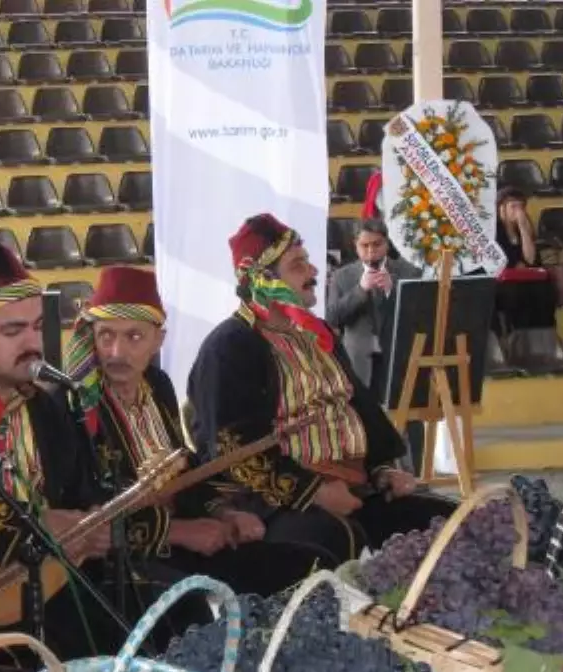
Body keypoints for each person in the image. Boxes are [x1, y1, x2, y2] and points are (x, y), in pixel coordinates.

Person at [0, 241, 180, 662]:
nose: (32, 342)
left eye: (35, 326)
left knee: (168, 623)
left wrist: (97, 528)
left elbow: (83, 495)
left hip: (57, 586)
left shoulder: (46, 405)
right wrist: (44, 523)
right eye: (12, 331)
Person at [186, 213, 455, 564]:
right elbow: (231, 446)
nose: (314, 273)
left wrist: (382, 470)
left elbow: (358, 407)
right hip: (277, 503)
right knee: (342, 545)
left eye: (308, 262)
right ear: (261, 281)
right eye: (298, 265)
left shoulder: (316, 334)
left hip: (355, 490)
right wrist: (313, 492)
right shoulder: (230, 346)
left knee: (449, 526)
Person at [63, 264, 336, 595]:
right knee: (200, 606)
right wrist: (180, 532)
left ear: (158, 340)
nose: (117, 352)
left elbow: (184, 468)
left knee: (312, 567)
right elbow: (88, 515)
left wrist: (224, 512)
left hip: (183, 545)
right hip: (126, 566)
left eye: (134, 336)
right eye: (106, 335)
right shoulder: (77, 406)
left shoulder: (157, 385)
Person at [325, 218, 420, 397]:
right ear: (356, 245)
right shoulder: (341, 276)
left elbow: (419, 316)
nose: (371, 251)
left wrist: (392, 290)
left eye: (377, 244)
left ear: (386, 243)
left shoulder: (409, 272)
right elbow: (331, 318)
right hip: (358, 359)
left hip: (398, 357)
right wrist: (360, 291)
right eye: (365, 245)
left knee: (406, 418)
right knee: (365, 418)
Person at [491, 188, 563, 336]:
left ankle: (543, 335)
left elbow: (531, 259)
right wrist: (514, 265)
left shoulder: (524, 228)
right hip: (502, 281)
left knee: (544, 290)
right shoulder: (494, 231)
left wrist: (524, 229)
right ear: (501, 209)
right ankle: (519, 336)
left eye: (521, 207)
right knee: (517, 294)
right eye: (513, 207)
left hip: (525, 277)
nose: (518, 211)